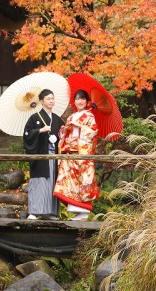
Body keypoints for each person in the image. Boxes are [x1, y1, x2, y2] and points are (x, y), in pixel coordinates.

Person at [53, 89, 99, 221]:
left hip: (82, 154)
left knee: (83, 182)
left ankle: (83, 211)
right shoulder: (71, 116)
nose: (80, 101)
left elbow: (93, 132)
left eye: (82, 99)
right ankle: (77, 211)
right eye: (77, 99)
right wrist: (64, 130)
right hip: (70, 153)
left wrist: (80, 125)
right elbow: (64, 136)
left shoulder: (90, 116)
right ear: (74, 102)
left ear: (87, 101)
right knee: (68, 181)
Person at [22, 88, 64, 220]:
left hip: (54, 156)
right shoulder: (34, 118)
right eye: (48, 99)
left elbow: (64, 136)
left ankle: (48, 212)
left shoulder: (57, 120)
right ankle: (34, 211)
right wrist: (40, 130)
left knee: (52, 183)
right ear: (41, 101)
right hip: (40, 155)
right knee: (39, 182)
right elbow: (27, 135)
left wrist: (59, 137)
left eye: (52, 98)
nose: (51, 101)